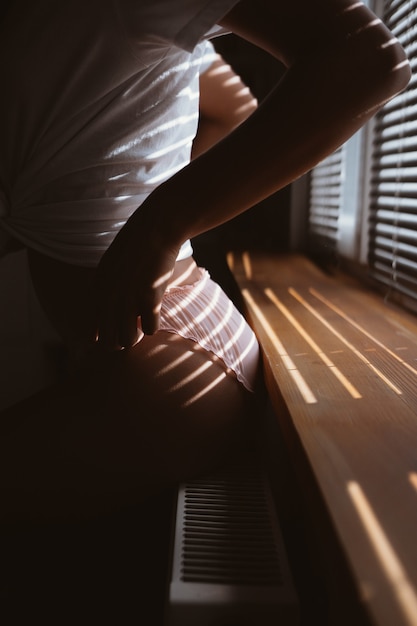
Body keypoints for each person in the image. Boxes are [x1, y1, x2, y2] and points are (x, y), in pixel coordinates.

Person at [0, 0, 411, 525]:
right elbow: (228, 109)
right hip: (153, 354)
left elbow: (371, 61)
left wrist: (158, 229)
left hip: (168, 360)